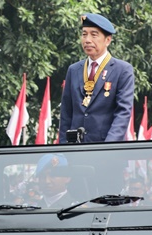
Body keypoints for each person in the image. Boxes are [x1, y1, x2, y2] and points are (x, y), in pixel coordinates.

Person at [59, 13, 134, 143]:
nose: (87, 40)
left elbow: (123, 113)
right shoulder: (74, 70)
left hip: (107, 151)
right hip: (76, 150)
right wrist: (63, 148)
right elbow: (66, 114)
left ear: (108, 40)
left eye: (94, 35)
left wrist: (107, 148)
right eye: (84, 34)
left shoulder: (122, 70)